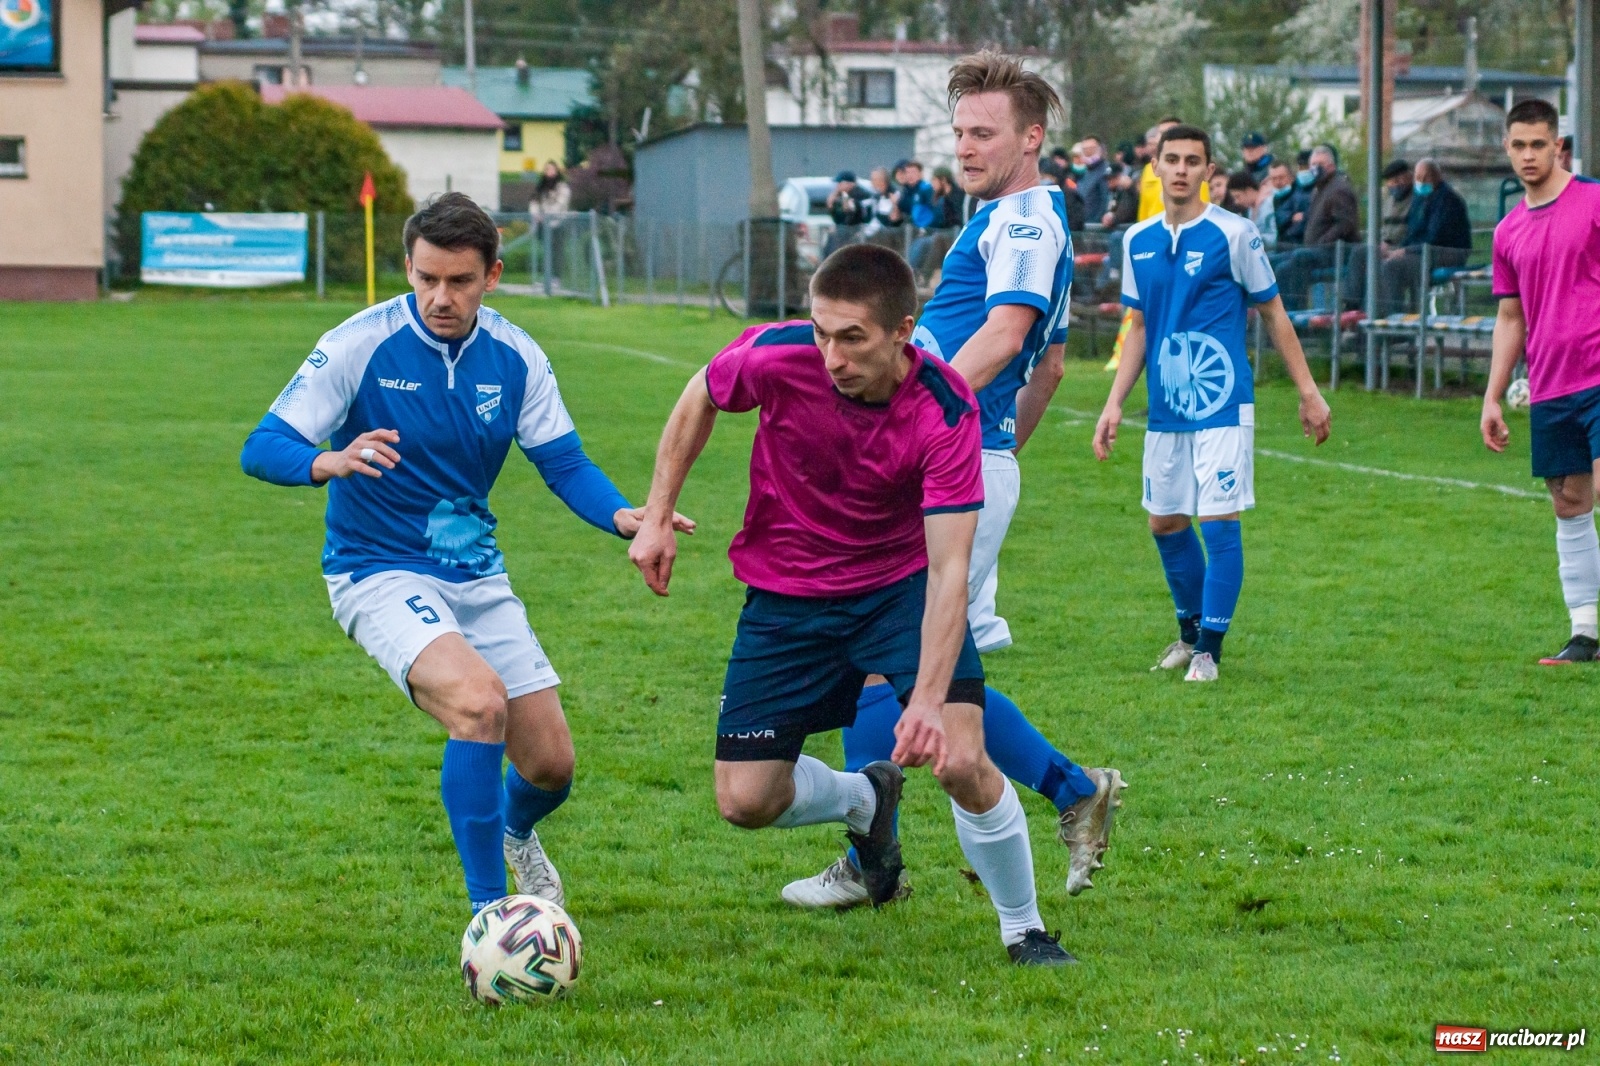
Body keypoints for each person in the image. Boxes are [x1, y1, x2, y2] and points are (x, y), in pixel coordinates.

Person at [238, 193, 693, 916]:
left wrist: (623, 517)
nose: (439, 297)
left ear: (493, 276)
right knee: (478, 706)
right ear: (409, 269)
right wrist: (326, 462)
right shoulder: (360, 342)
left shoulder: (515, 356)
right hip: (375, 569)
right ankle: (492, 917)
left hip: (475, 571)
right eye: (425, 279)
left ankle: (515, 833)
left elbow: (563, 461)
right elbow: (261, 446)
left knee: (551, 767)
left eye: (459, 281)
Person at [627, 244, 1077, 966]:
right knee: (746, 800)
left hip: (896, 591)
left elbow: (950, 567)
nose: (830, 354)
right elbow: (700, 395)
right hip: (786, 596)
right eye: (821, 332)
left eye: (852, 337)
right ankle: (867, 802)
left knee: (962, 759)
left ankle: (1024, 928)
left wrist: (928, 699)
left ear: (903, 331)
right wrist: (656, 512)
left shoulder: (945, 409)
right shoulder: (778, 356)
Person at [781, 48, 1123, 914]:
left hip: (953, 463)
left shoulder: (1020, 223)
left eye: (985, 132)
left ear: (1032, 136)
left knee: (885, 667)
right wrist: (991, 449)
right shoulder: (1022, 217)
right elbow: (1046, 372)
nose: (966, 148)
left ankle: (872, 860)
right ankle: (1071, 788)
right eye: (960, 131)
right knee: (923, 670)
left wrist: (919, 419)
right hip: (971, 461)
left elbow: (1009, 338)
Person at [1092, 125, 1332, 682]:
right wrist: (1113, 404)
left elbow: (1273, 312)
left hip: (1223, 402)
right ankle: (1188, 631)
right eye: (1170, 159)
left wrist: (1308, 391)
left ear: (1208, 172)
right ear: (1155, 166)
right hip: (1166, 405)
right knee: (1165, 522)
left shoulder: (1235, 234)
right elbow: (1142, 326)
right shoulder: (1137, 240)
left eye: (1192, 161)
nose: (1180, 169)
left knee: (1218, 523)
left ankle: (1210, 650)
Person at [1480, 99, 1600, 664]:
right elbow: (1511, 318)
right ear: (1507, 148)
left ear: (1558, 146)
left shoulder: (1595, 203)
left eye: (1539, 144)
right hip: (1552, 387)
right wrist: (1493, 395)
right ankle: (1586, 634)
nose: (1529, 155)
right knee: (1571, 503)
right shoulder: (1506, 232)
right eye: (1518, 145)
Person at [1380, 158, 1473, 315]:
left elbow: (1434, 237)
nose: (1421, 181)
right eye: (1417, 177)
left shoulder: (1447, 200)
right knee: (1382, 261)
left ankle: (1394, 324)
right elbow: (1413, 232)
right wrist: (1400, 249)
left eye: (1426, 177)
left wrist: (1405, 251)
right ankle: (1373, 317)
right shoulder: (1420, 199)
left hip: (1448, 252)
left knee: (1392, 267)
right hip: (1425, 251)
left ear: (1438, 176)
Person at [1272, 145, 1360, 309]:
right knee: (1274, 263)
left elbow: (1345, 223)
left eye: (1319, 164)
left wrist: (1323, 241)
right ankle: (1276, 319)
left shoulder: (1339, 189)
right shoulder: (1319, 189)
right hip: (1315, 250)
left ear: (1331, 167)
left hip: (1335, 251)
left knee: (1298, 258)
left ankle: (1294, 316)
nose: (1313, 169)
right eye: (1312, 164)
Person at [908, 166, 965, 274]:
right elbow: (937, 220)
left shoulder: (957, 195)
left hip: (952, 234)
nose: (932, 184)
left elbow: (956, 219)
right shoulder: (938, 198)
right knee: (919, 242)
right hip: (939, 232)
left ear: (943, 180)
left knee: (932, 242)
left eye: (934, 180)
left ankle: (924, 275)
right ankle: (912, 272)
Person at [824, 169, 870, 257]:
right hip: (847, 234)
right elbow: (839, 219)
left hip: (858, 233)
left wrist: (848, 208)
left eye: (840, 183)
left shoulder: (859, 194)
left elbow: (855, 216)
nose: (838, 186)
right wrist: (832, 207)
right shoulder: (843, 195)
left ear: (850, 184)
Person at [1226, 170, 1277, 246]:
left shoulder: (1268, 205)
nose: (1236, 202)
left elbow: (1274, 238)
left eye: (1237, 196)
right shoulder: (1251, 209)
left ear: (1249, 191)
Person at [1269, 159, 1309, 248]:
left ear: (1292, 177)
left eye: (1281, 177)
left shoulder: (1302, 196)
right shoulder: (1276, 198)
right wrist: (1291, 218)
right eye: (1273, 179)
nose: (1277, 182)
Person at [1380, 159, 1415, 247]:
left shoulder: (1418, 201)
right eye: (1391, 181)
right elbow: (1384, 229)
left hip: (1406, 249)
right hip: (1387, 248)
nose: (1395, 184)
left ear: (1410, 178)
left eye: (1398, 179)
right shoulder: (1387, 202)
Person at [1076, 135, 1112, 221]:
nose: (1088, 152)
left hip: (1097, 227)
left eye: (1091, 149)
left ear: (1100, 149)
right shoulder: (1082, 172)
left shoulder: (1106, 171)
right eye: (1085, 150)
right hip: (1083, 224)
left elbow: (1105, 200)